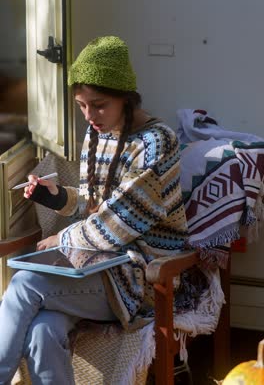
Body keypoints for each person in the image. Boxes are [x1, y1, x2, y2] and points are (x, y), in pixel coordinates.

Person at [0, 36, 189, 384]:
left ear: (126, 97)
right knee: (43, 331)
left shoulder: (157, 142)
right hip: (96, 267)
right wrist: (56, 197)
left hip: (140, 278)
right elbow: (94, 202)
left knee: (25, 283)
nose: (90, 115)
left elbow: (120, 221)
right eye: (82, 105)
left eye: (99, 105)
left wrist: (63, 235)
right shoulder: (97, 134)